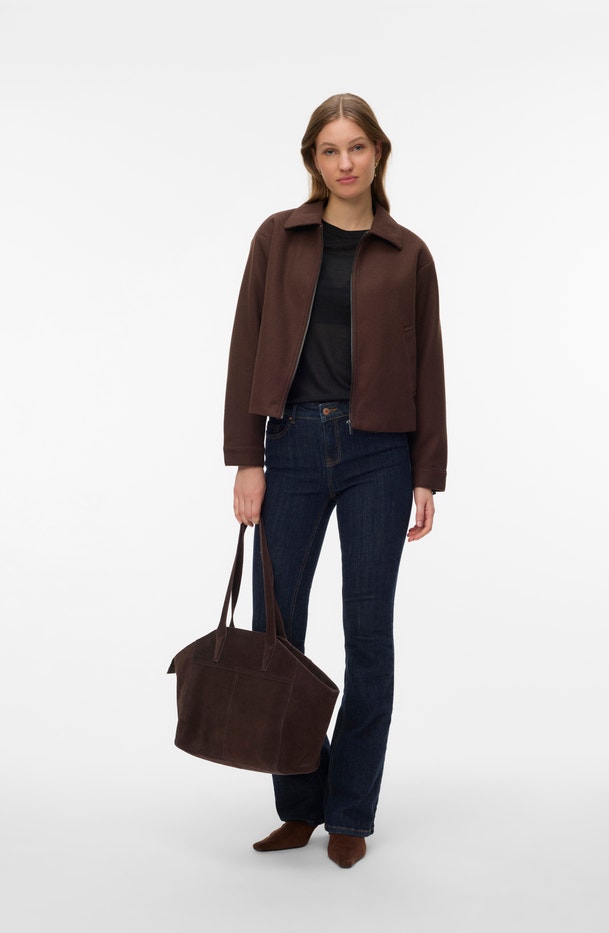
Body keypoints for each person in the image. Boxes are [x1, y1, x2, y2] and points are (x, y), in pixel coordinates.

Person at [223, 92, 447, 869]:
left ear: (377, 153)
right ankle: (301, 799)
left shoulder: (408, 253)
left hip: (379, 455)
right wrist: (246, 457)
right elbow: (246, 346)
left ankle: (351, 810)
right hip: (289, 448)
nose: (345, 162)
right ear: (312, 160)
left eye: (357, 147)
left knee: (368, 637)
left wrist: (427, 473)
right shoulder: (276, 239)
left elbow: (428, 368)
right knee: (275, 633)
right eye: (330, 149)